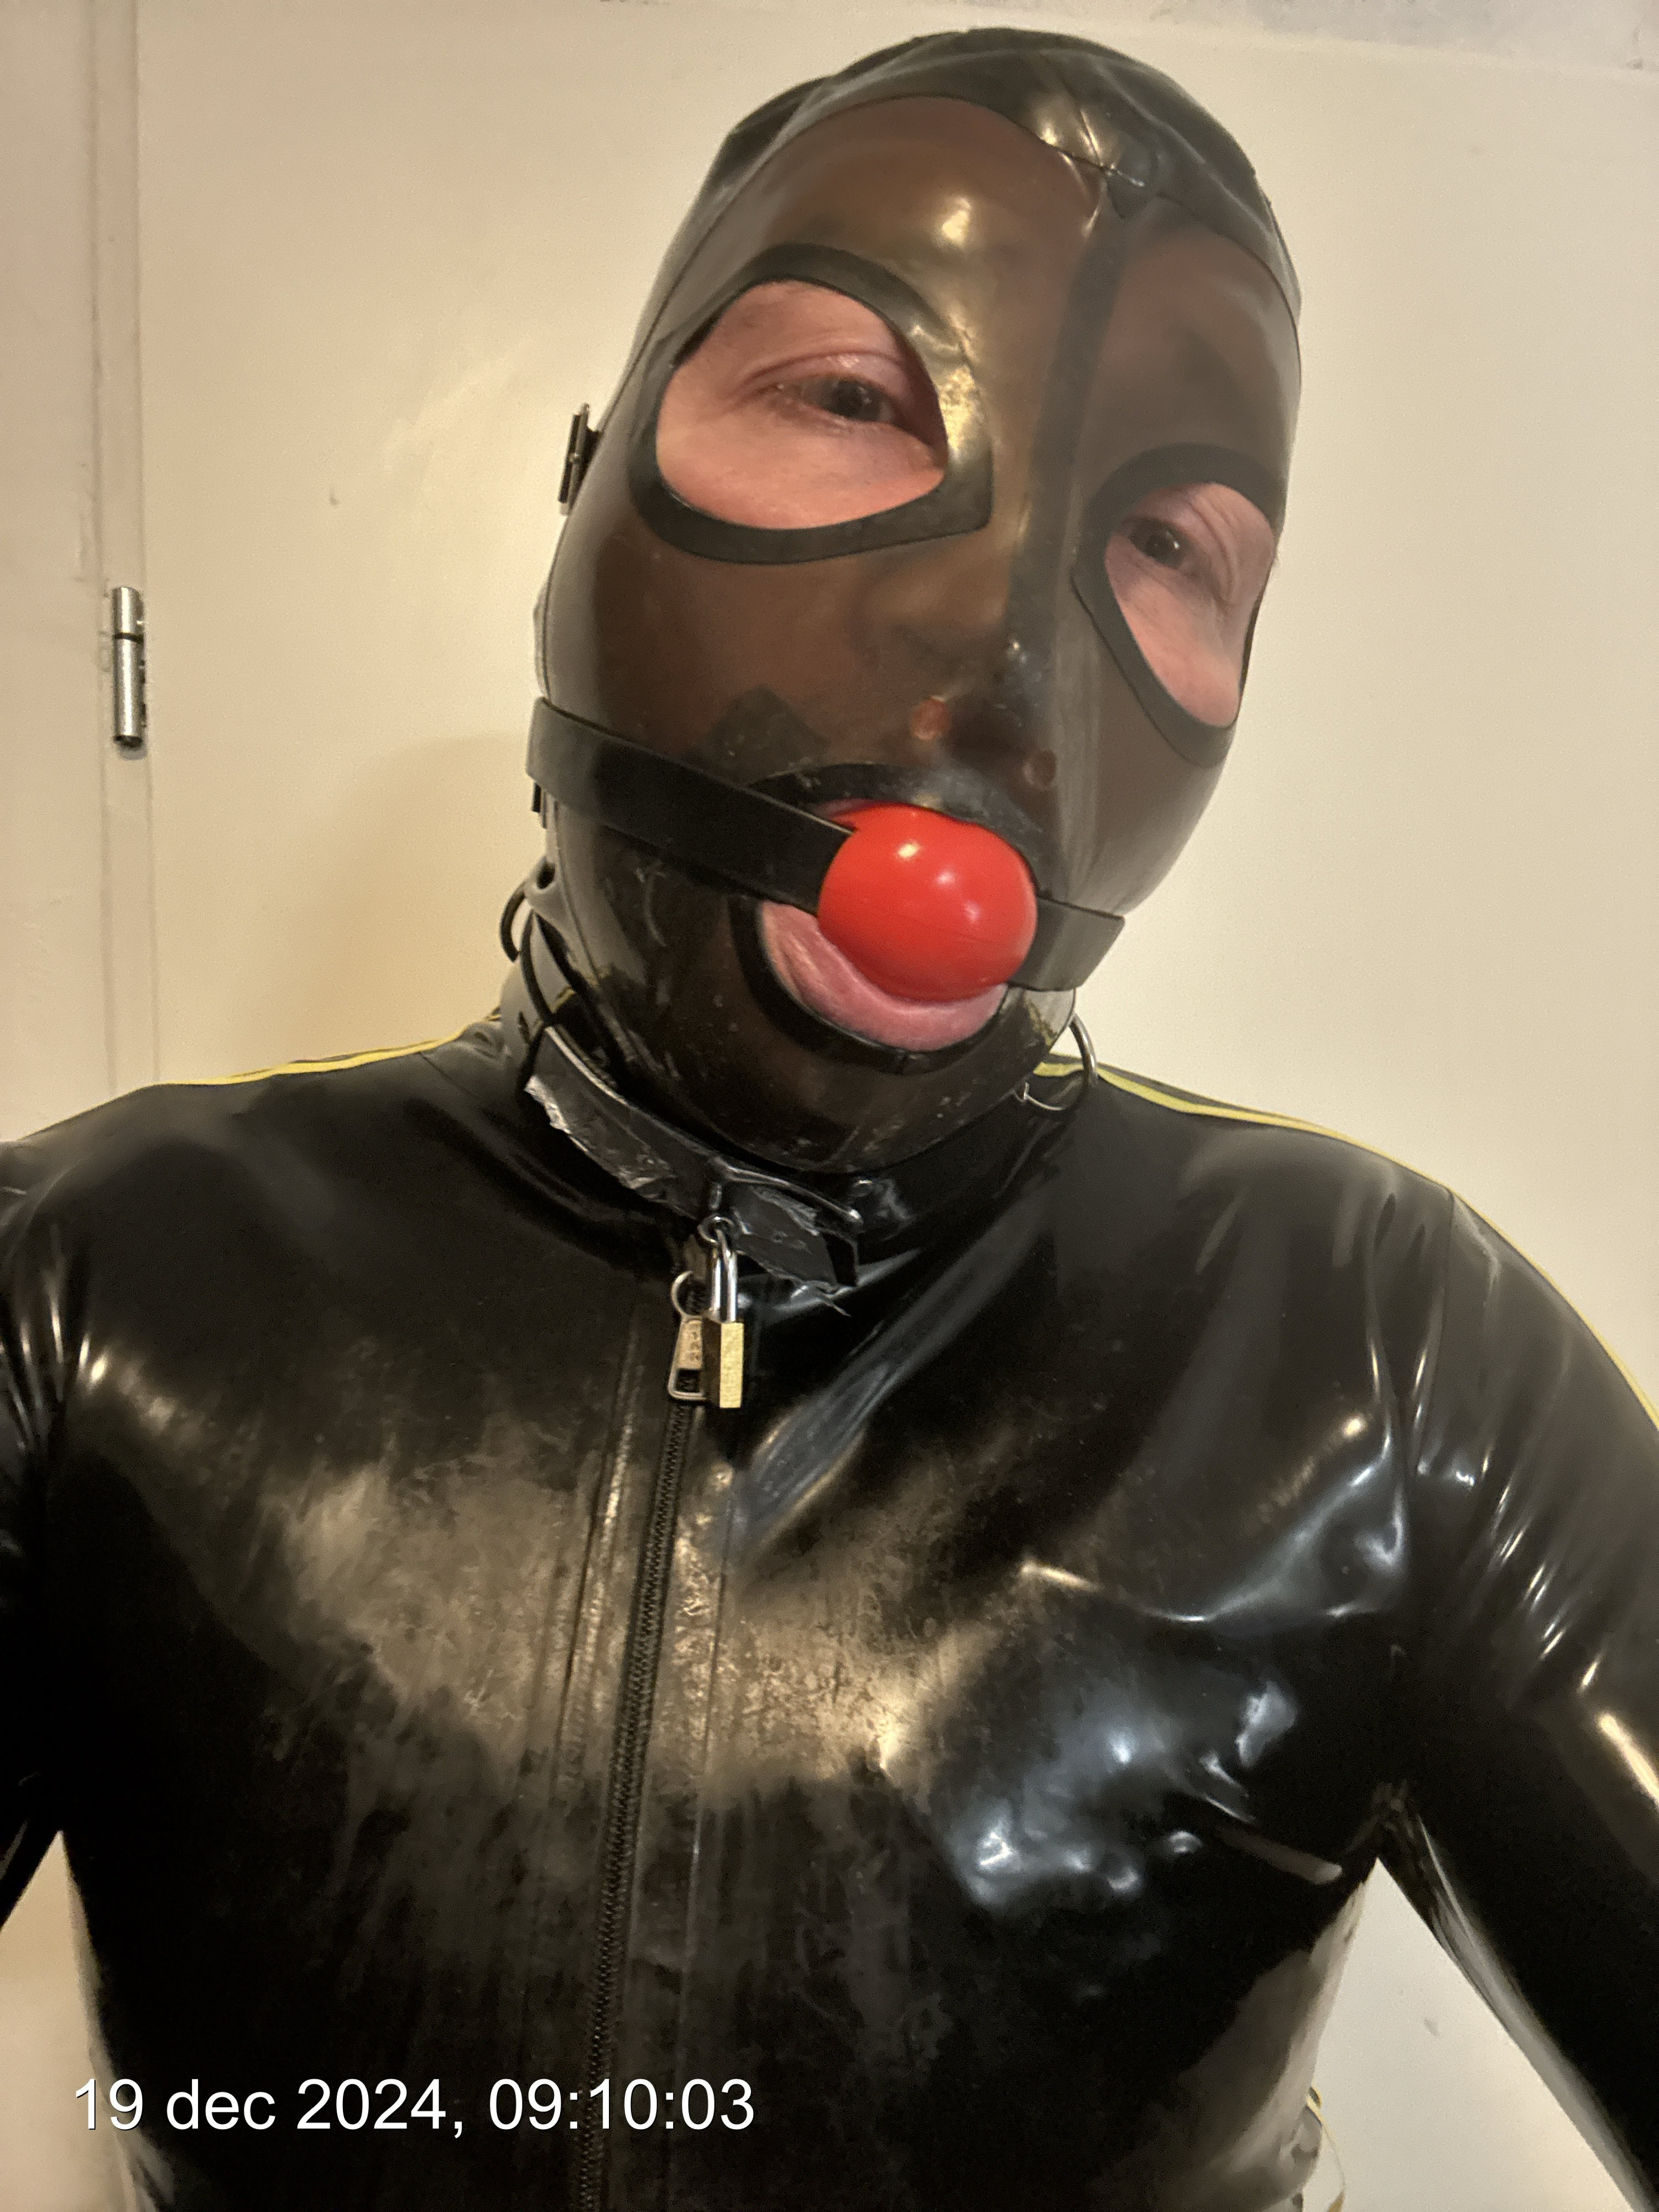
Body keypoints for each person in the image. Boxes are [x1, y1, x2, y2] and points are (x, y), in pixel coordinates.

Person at [2, 27, 1655, 2212]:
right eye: (857, 399)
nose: (1005, 664)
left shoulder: (1381, 1363)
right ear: (586, 488)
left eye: (1171, 541)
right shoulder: (99, 1292)